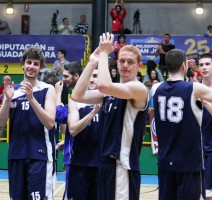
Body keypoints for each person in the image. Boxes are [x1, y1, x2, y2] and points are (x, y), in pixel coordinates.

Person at [71, 32, 148, 200]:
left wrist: (104, 53)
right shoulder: (111, 92)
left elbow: (104, 85)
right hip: (105, 164)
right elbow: (77, 96)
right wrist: (92, 62)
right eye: (121, 61)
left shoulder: (139, 88)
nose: (125, 65)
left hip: (123, 166)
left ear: (139, 66)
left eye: (130, 62)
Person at [0, 47, 56, 200]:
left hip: (39, 154)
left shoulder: (47, 89)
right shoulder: (12, 91)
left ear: (40, 67)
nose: (31, 66)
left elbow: (50, 123)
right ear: (22, 64)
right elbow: (0, 124)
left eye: (36, 64)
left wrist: (31, 99)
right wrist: (7, 100)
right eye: (29, 62)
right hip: (16, 154)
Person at [151, 49, 212, 200]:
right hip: (189, 163)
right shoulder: (194, 89)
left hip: (165, 161)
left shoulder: (155, 88)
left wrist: (185, 68)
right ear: (183, 66)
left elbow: (176, 86)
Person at [67, 67, 101, 200]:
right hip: (80, 164)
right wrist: (92, 113)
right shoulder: (76, 101)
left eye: (96, 75)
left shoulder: (109, 100)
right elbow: (73, 130)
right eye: (90, 75)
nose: (92, 79)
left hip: (102, 166)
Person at [60, 61, 83, 199]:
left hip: (76, 158)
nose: (63, 79)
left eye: (66, 76)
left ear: (76, 76)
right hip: (76, 156)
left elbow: (59, 115)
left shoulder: (82, 98)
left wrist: (57, 96)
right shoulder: (74, 96)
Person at [199, 53, 212, 200]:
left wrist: (204, 101)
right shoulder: (193, 88)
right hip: (196, 151)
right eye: (201, 65)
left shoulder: (199, 93)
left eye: (207, 64)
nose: (204, 67)